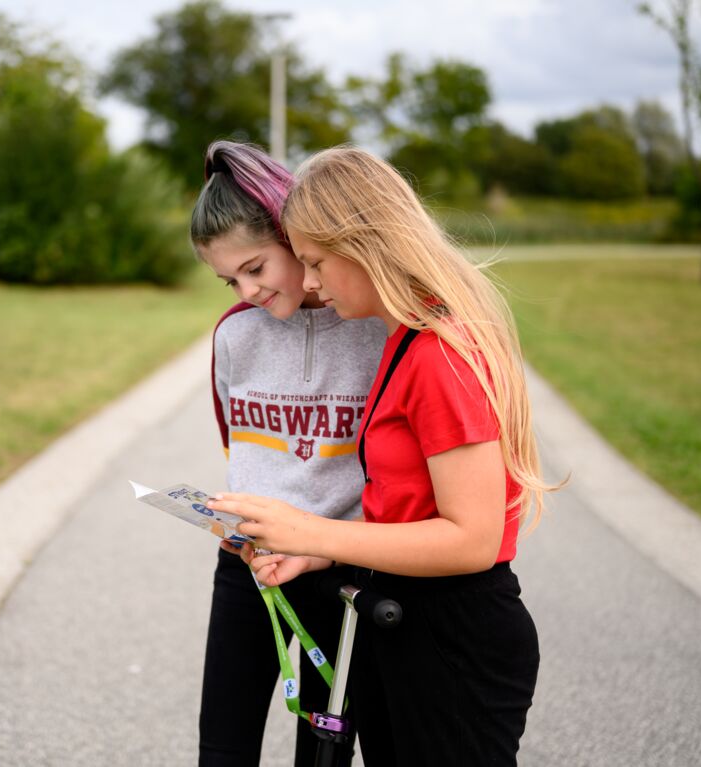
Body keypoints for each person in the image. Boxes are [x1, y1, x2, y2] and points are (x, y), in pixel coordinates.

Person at [207, 146, 561, 766]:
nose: (309, 282)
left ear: (362, 244)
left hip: (451, 634)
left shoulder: (438, 353)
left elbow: (474, 540)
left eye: (315, 262)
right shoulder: (404, 342)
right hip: (397, 617)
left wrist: (314, 532)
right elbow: (400, 504)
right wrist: (316, 550)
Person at [190, 140, 388, 767]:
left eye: (256, 267)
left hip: (342, 570)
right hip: (250, 567)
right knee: (222, 747)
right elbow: (238, 441)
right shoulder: (234, 335)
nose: (246, 290)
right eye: (230, 279)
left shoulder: (374, 327)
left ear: (292, 236)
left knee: (324, 752)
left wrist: (329, 537)